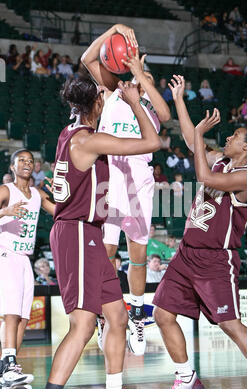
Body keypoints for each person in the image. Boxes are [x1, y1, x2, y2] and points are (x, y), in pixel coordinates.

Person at [153, 74, 247, 389]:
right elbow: (191, 141)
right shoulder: (221, 160)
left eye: (234, 136)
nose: (228, 138)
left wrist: (201, 136)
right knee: (162, 313)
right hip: (187, 254)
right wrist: (180, 100)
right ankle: (187, 379)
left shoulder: (246, 177)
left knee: (230, 323)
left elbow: (202, 175)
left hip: (216, 259)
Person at [35, 73, 161, 389]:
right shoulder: (89, 139)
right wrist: (135, 103)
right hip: (76, 231)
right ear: (98, 103)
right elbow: (152, 143)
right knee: (83, 324)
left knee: (117, 317)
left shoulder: (69, 132)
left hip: (88, 232)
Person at [81, 23, 170, 357]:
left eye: (141, 62)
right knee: (105, 254)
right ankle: (107, 313)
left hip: (139, 180)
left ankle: (135, 312)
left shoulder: (144, 95)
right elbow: (88, 58)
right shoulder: (109, 91)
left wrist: (140, 74)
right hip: (108, 177)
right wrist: (114, 29)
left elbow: (164, 114)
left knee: (139, 256)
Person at [0, 149, 55, 389]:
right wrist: (5, 212)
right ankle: (10, 364)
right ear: (12, 167)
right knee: (11, 313)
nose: (26, 163)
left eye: (30, 161)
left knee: (23, 317)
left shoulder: (36, 194)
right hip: (5, 253)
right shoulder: (5, 191)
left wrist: (64, 194)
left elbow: (60, 212)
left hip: (24, 258)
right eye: (21, 160)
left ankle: (7, 370)